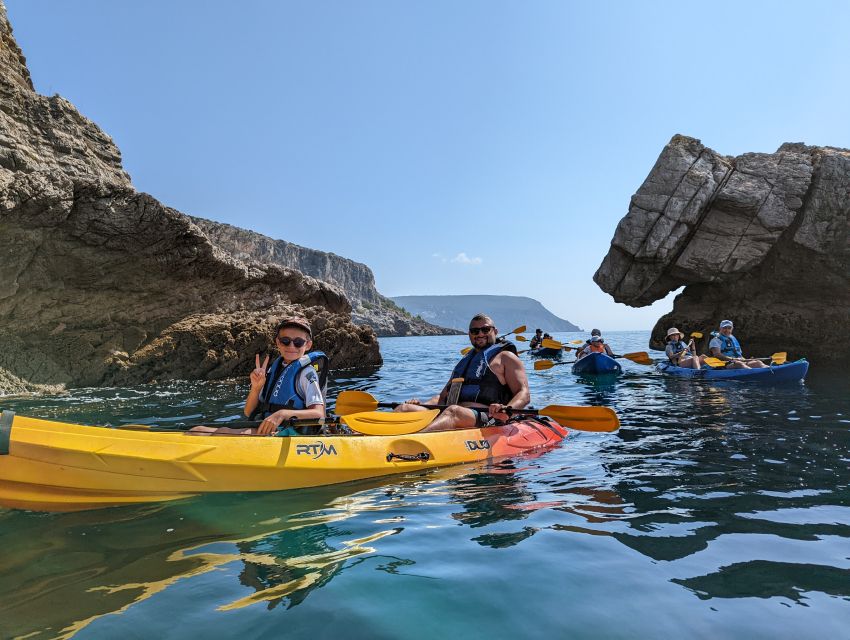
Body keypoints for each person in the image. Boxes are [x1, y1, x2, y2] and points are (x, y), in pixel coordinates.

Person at [190, 317, 328, 435]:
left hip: (290, 432)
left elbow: (318, 414)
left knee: (221, 432)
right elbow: (249, 411)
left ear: (308, 345)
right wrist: (256, 388)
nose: (291, 346)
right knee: (197, 430)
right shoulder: (274, 370)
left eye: (298, 342)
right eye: (285, 341)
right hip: (268, 429)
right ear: (278, 342)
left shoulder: (307, 373)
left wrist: (282, 414)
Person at [395, 313, 530, 432]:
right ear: (469, 334)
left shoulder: (506, 357)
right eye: (475, 331)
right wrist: (423, 404)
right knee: (404, 408)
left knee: (454, 411)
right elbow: (443, 397)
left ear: (495, 331)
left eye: (485, 329)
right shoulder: (464, 361)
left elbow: (523, 393)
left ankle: (411, 440)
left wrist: (507, 409)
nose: (480, 334)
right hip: (452, 412)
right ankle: (379, 437)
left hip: (488, 417)